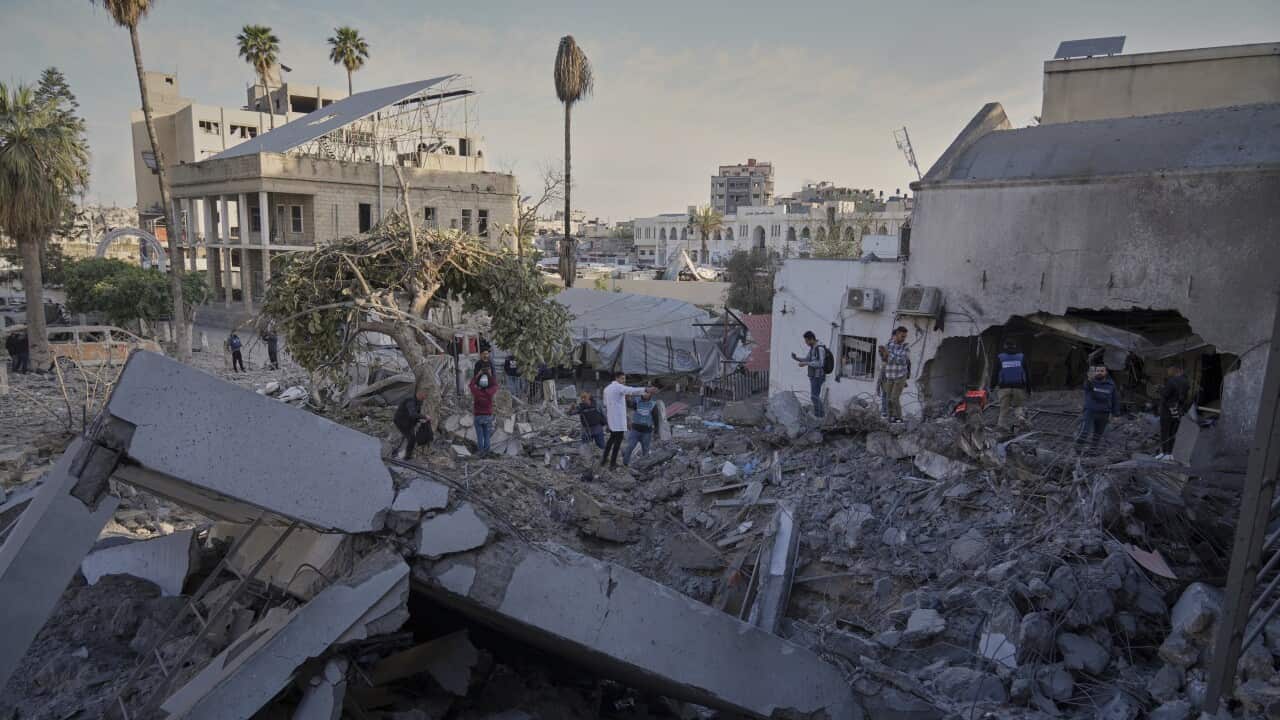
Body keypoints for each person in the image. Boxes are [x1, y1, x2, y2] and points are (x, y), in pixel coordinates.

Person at [601, 371, 655, 470]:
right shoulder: (618, 387)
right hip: (618, 421)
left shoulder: (607, 389)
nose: (624, 381)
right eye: (622, 378)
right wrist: (646, 389)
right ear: (616, 378)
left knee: (611, 440)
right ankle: (612, 463)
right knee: (617, 442)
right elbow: (631, 390)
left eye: (624, 379)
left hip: (612, 419)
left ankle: (604, 460)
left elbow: (605, 404)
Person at [1075, 366, 1121, 447]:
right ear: (1095, 372)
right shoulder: (1091, 382)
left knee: (1097, 435)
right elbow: (1087, 386)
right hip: (1090, 412)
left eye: (1102, 371)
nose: (1099, 372)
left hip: (1104, 413)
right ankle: (1077, 449)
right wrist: (1089, 378)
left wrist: (1116, 414)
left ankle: (1092, 451)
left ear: (1106, 373)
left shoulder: (1111, 384)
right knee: (1084, 432)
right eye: (1098, 371)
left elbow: (1115, 399)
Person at [993, 339, 1031, 431]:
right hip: (1019, 387)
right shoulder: (1021, 357)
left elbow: (995, 373)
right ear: (1015, 346)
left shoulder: (1000, 357)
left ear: (1005, 346)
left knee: (1004, 408)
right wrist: (1028, 388)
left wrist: (992, 386)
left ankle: (1001, 425)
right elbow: (1027, 373)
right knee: (1018, 406)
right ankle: (1021, 418)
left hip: (1004, 387)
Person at [790, 330, 829, 418]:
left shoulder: (819, 348)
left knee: (814, 396)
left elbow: (820, 363)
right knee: (815, 396)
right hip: (813, 376)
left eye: (807, 341)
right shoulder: (813, 348)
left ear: (811, 339)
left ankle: (820, 415)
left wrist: (806, 363)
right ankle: (818, 415)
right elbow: (807, 359)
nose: (806, 343)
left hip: (818, 376)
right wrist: (796, 358)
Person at [1156, 364, 1191, 460]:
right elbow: (1185, 398)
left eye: (1169, 370)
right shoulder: (1186, 382)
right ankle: (1171, 453)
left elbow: (1165, 395)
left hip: (1167, 411)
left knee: (1165, 431)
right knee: (1173, 432)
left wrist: (1160, 389)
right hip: (1178, 410)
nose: (1168, 372)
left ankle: (1164, 452)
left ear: (1175, 370)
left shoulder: (1172, 381)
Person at [878, 326, 911, 423]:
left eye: (905, 336)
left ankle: (899, 417)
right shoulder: (889, 344)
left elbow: (902, 360)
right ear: (896, 335)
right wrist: (883, 354)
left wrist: (889, 354)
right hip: (890, 375)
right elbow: (885, 359)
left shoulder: (905, 346)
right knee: (888, 398)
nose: (904, 338)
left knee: (894, 398)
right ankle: (890, 417)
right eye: (902, 336)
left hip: (900, 375)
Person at [623, 387, 659, 466]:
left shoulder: (653, 404)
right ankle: (625, 464)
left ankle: (645, 466)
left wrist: (656, 431)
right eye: (644, 392)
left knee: (645, 450)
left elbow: (656, 419)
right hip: (635, 430)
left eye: (648, 393)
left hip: (647, 432)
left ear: (651, 394)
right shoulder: (637, 401)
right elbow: (630, 405)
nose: (645, 394)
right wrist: (627, 398)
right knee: (630, 447)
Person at [394, 389, 431, 460]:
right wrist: (425, 416)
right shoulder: (410, 400)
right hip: (401, 421)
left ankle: (406, 455)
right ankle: (405, 456)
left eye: (426, 396)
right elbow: (412, 414)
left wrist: (420, 420)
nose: (425, 397)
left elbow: (416, 413)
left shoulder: (419, 401)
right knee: (411, 439)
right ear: (419, 394)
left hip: (409, 422)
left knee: (411, 438)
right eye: (425, 395)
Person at [469, 368, 500, 455]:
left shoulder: (476, 392)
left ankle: (481, 451)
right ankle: (487, 452)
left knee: (480, 436)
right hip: (488, 416)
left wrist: (478, 375)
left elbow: (471, 384)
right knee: (487, 435)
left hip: (478, 416)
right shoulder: (490, 392)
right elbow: (496, 385)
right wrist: (489, 375)